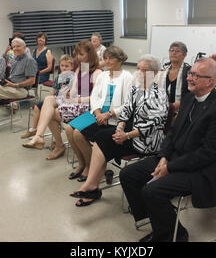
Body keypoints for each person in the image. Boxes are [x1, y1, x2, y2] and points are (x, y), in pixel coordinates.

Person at [119, 58, 216, 242]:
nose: (190, 78)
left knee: (152, 191)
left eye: (196, 75)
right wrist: (164, 157)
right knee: (127, 174)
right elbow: (172, 133)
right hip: (173, 158)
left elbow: (208, 153)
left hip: (200, 169)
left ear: (210, 81)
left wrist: (170, 167)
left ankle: (175, 234)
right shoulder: (190, 98)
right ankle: (160, 220)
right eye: (190, 73)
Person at [70, 54, 169, 207]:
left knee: (104, 139)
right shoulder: (136, 89)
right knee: (102, 136)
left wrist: (127, 135)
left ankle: (91, 186)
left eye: (144, 70)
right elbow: (126, 112)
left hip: (147, 141)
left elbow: (153, 124)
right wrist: (120, 128)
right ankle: (92, 186)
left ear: (154, 73)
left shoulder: (159, 93)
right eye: (138, 69)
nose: (139, 73)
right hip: (130, 133)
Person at [22, 40, 101, 160]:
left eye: (81, 55)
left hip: (87, 107)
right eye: (77, 54)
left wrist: (74, 100)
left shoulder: (97, 72)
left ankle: (57, 145)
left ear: (90, 55)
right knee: (48, 100)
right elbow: (74, 91)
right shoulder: (81, 68)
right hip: (76, 102)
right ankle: (39, 135)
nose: (77, 58)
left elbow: (94, 98)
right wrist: (67, 94)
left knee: (49, 113)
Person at [65, 46, 133, 182]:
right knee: (68, 128)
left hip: (114, 118)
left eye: (111, 58)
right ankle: (82, 162)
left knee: (78, 134)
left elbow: (128, 104)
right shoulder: (103, 75)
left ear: (120, 60)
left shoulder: (128, 77)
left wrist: (108, 114)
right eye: (105, 58)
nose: (107, 61)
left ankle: (90, 166)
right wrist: (97, 112)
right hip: (97, 114)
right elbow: (95, 96)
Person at [21, 54, 75, 139]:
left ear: (72, 67)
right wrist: (47, 102)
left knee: (52, 113)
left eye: (66, 66)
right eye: (62, 66)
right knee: (37, 107)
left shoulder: (73, 78)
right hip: (56, 99)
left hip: (65, 101)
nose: (64, 68)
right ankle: (33, 129)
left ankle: (57, 136)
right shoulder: (59, 77)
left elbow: (73, 94)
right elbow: (53, 91)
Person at [158, 41, 191, 112]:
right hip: (163, 109)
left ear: (184, 55)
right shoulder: (164, 70)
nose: (173, 53)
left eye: (177, 51)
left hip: (181, 110)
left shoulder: (189, 72)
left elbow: (193, 93)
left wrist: (181, 104)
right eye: (171, 50)